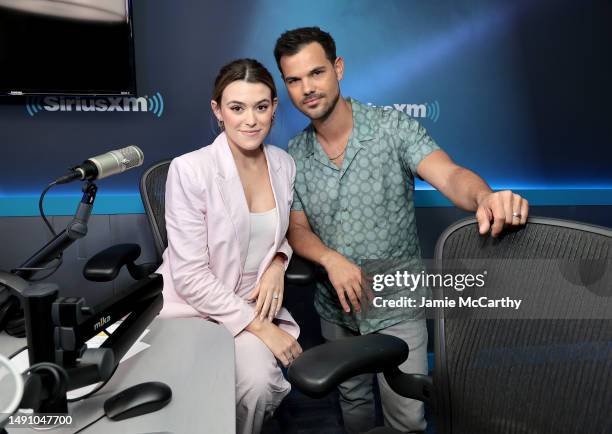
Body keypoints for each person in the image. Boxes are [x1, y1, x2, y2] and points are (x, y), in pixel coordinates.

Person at [273, 27, 529, 433]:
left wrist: (485, 198)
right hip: (335, 305)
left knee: (407, 417)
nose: (307, 88)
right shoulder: (292, 155)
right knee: (352, 403)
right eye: (294, 80)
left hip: (397, 301)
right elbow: (297, 229)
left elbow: (449, 174)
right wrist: (330, 258)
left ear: (338, 69)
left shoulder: (393, 128)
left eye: (316, 73)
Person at [156, 58, 303, 434]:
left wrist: (278, 262)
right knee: (195, 393)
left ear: (274, 108)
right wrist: (261, 327)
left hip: (250, 301)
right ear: (217, 111)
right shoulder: (190, 169)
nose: (250, 120)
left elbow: (275, 233)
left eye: (261, 107)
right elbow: (189, 276)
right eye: (237, 108)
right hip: (191, 306)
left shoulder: (284, 165)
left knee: (258, 384)